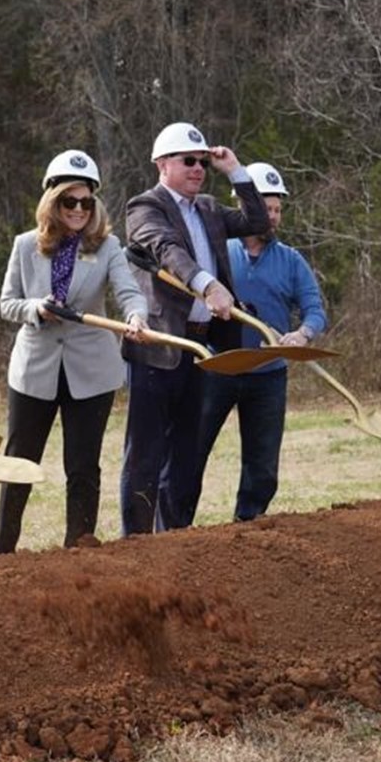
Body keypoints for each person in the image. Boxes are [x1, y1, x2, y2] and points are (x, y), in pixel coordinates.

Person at [0, 151, 149, 553]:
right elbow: (7, 303)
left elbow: (129, 292)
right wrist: (35, 309)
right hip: (35, 371)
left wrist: (136, 317)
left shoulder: (109, 246)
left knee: (82, 467)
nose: (79, 210)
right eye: (70, 201)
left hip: (91, 372)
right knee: (20, 464)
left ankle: (79, 553)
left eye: (86, 202)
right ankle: (3, 553)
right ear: (53, 201)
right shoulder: (26, 246)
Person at [121, 121, 268, 534]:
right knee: (146, 454)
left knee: (187, 453)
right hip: (160, 346)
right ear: (162, 164)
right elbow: (167, 250)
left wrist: (236, 172)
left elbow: (257, 222)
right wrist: (208, 285)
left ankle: (177, 540)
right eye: (188, 161)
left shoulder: (207, 207)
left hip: (202, 349)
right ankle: (134, 544)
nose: (198, 168)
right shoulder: (144, 206)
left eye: (202, 161)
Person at [189, 162, 327, 522]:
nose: (274, 217)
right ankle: (176, 529)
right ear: (244, 207)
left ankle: (247, 530)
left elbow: (315, 310)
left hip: (268, 375)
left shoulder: (291, 261)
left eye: (278, 209)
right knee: (191, 452)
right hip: (218, 368)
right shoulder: (217, 256)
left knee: (262, 467)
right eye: (267, 208)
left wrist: (302, 334)